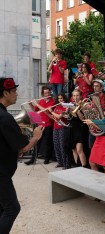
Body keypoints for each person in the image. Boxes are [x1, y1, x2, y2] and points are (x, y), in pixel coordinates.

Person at [0, 77, 44, 233]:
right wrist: (36, 137)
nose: (17, 94)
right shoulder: (5, 117)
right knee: (12, 208)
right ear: (5, 93)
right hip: (1, 174)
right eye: (14, 91)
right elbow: (23, 148)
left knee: (2, 208)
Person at [83, 91, 105, 175]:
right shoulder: (103, 110)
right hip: (99, 138)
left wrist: (92, 123)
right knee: (92, 162)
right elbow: (97, 121)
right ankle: (97, 182)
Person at [24, 86, 55, 165]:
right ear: (42, 94)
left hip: (48, 124)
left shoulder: (52, 101)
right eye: (45, 93)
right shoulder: (41, 101)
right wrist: (31, 104)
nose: (47, 94)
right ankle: (33, 159)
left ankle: (47, 158)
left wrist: (37, 104)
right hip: (40, 124)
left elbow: (45, 112)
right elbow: (35, 110)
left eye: (48, 92)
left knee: (48, 142)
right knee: (37, 142)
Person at [48, 93, 70, 169]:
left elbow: (59, 116)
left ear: (64, 99)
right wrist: (48, 112)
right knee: (56, 145)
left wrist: (51, 111)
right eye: (59, 98)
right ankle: (60, 162)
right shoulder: (56, 106)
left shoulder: (66, 107)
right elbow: (54, 117)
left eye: (61, 98)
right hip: (55, 127)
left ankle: (65, 164)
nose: (60, 100)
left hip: (63, 128)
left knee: (62, 146)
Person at [69, 89, 88, 167]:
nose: (75, 97)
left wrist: (77, 110)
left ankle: (84, 166)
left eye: (77, 95)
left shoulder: (84, 105)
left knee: (79, 149)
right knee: (73, 148)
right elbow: (69, 117)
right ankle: (77, 165)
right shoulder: (71, 104)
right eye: (74, 95)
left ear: (80, 96)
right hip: (72, 127)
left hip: (80, 128)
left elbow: (82, 119)